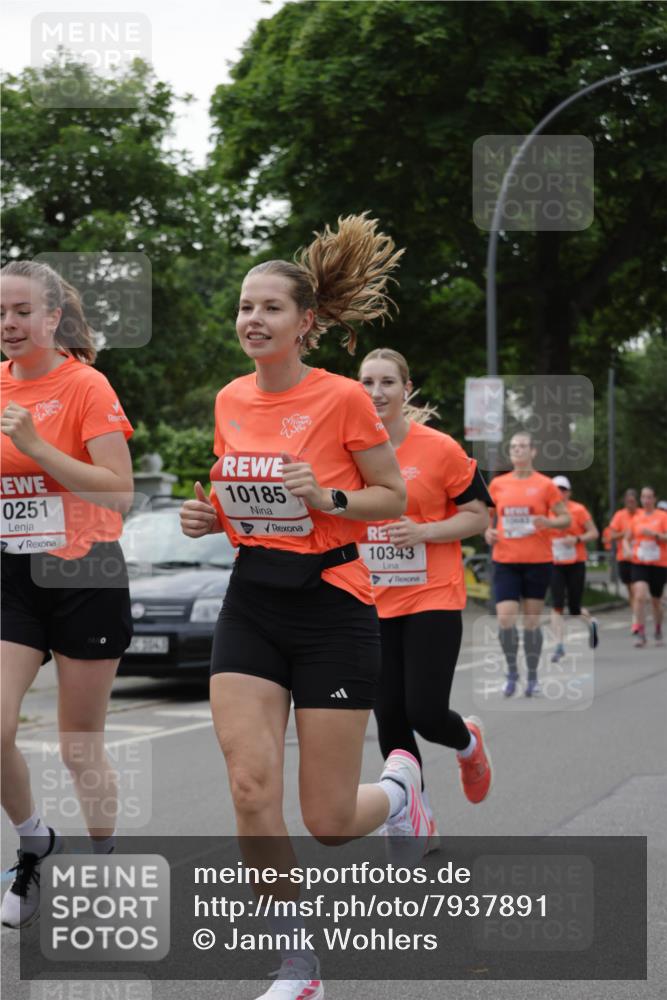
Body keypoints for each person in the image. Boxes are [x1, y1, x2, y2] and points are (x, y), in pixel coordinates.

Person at [180, 216, 431, 1000]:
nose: (252, 319)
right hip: (252, 601)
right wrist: (210, 518)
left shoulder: (344, 398)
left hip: (333, 608)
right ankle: (297, 963)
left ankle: (401, 790)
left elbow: (390, 496)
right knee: (250, 788)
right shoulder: (229, 398)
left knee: (327, 820)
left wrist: (327, 497)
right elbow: (245, 502)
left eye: (270, 307)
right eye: (244, 307)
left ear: (305, 322)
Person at [1, 260, 134, 928]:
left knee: (79, 745)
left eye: (23, 311)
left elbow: (120, 493)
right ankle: (34, 841)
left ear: (53, 318)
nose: (9, 323)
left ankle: (105, 860)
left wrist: (36, 446)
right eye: (0, 312)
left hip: (85, 574)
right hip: (14, 575)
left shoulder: (85, 386)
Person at [357, 348, 493, 850]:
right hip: (370, 600)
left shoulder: (440, 449)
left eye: (387, 382)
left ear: (406, 389)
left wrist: (423, 531)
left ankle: (468, 742)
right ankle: (420, 816)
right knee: (389, 716)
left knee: (425, 712)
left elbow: (478, 516)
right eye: (367, 382)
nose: (376, 392)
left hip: (432, 595)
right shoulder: (345, 450)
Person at [485, 432, 570, 697]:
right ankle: (512, 672)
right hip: (506, 560)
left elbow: (565, 519)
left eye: (522, 446)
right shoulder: (498, 485)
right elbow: (486, 517)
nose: (517, 450)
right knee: (505, 618)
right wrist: (487, 532)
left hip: (537, 561)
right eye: (513, 446)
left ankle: (532, 675)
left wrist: (549, 522)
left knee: (532, 622)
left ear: (533, 452)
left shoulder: (545, 485)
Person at [548, 475, 600, 661]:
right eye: (556, 490)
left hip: (576, 562)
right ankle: (559, 646)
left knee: (574, 608)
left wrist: (577, 539)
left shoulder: (578, 510)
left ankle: (591, 623)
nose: (559, 493)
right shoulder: (546, 511)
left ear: (569, 492)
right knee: (557, 605)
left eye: (563, 490)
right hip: (554, 563)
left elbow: (594, 533)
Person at [625, 485, 667, 648]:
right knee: (640, 595)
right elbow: (626, 538)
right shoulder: (636, 517)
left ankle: (657, 630)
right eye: (643, 497)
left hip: (658, 563)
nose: (646, 500)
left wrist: (655, 535)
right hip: (639, 562)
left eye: (649, 497)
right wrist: (628, 550)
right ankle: (641, 632)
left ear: (654, 499)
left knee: (656, 600)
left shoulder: (662, 516)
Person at [607, 489, 639, 633]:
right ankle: (636, 614)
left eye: (632, 501)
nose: (630, 504)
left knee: (636, 589)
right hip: (624, 557)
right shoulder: (619, 515)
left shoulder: (641, 514)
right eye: (628, 501)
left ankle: (636, 619)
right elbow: (611, 535)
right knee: (631, 589)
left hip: (639, 558)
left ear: (636, 502)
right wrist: (623, 534)